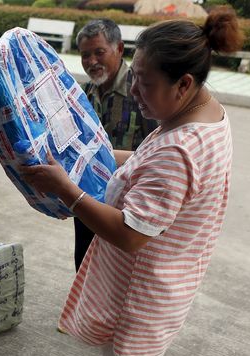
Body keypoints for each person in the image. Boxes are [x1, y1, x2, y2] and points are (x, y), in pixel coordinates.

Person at [21, 8, 244, 356]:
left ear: (183, 83)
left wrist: (67, 190)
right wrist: (93, 157)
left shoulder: (180, 150)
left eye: (144, 82)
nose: (135, 90)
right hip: (172, 280)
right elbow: (144, 158)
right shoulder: (204, 114)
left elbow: (128, 234)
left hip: (145, 289)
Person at [74, 19, 157, 271]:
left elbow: (156, 151)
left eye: (99, 52)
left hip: (127, 209)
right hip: (89, 200)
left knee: (116, 272)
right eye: (85, 55)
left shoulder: (143, 89)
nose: (91, 61)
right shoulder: (83, 92)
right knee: (84, 263)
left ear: (119, 49)